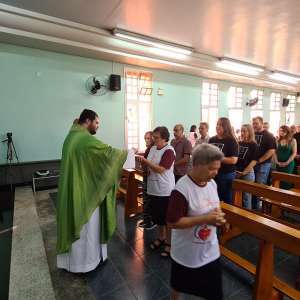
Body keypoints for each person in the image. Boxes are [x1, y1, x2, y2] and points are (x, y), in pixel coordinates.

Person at [56, 109, 127, 273]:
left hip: (76, 186)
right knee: (87, 229)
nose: (97, 127)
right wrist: (127, 154)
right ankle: (86, 263)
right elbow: (106, 154)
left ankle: (73, 263)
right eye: (96, 123)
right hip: (85, 192)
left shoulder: (72, 135)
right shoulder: (83, 139)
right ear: (87, 121)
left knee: (82, 226)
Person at [167, 143, 226, 300]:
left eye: (218, 169)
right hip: (187, 252)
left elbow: (214, 205)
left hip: (210, 250)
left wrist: (218, 216)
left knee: (215, 292)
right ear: (198, 164)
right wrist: (206, 219)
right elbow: (173, 223)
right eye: (212, 168)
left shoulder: (212, 183)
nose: (215, 173)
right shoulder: (182, 189)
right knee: (178, 285)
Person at [136, 126, 175, 257]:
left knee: (167, 218)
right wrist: (142, 165)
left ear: (164, 138)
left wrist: (145, 161)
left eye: (156, 137)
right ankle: (161, 237)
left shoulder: (169, 151)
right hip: (153, 188)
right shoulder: (152, 148)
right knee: (157, 217)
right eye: (153, 137)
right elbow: (147, 166)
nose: (154, 140)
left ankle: (169, 243)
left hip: (165, 190)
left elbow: (161, 169)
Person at [209, 118, 239, 204]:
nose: (218, 126)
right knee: (213, 198)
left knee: (226, 199)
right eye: (217, 124)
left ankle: (227, 216)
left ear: (226, 127)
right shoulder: (212, 140)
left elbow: (233, 160)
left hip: (226, 174)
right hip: (212, 173)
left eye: (221, 125)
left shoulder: (231, 141)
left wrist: (217, 157)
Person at [252, 117, 277, 209]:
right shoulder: (252, 134)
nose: (254, 125)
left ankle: (258, 208)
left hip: (263, 164)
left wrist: (259, 160)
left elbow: (271, 151)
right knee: (251, 185)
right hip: (253, 164)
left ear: (262, 123)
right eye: (253, 123)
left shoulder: (269, 135)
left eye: (256, 123)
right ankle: (252, 206)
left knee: (259, 186)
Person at [236, 124, 258, 209]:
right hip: (237, 172)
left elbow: (254, 161)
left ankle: (247, 218)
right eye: (241, 131)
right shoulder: (239, 143)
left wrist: (244, 172)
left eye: (244, 131)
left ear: (250, 132)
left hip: (247, 173)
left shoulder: (253, 145)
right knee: (237, 196)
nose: (242, 133)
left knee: (246, 197)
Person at [138, 131, 156, 229]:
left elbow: (151, 163)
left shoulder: (152, 149)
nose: (146, 140)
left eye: (148, 138)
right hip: (146, 176)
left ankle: (150, 221)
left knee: (148, 200)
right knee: (146, 199)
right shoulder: (148, 149)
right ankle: (146, 220)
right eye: (145, 138)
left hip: (150, 177)